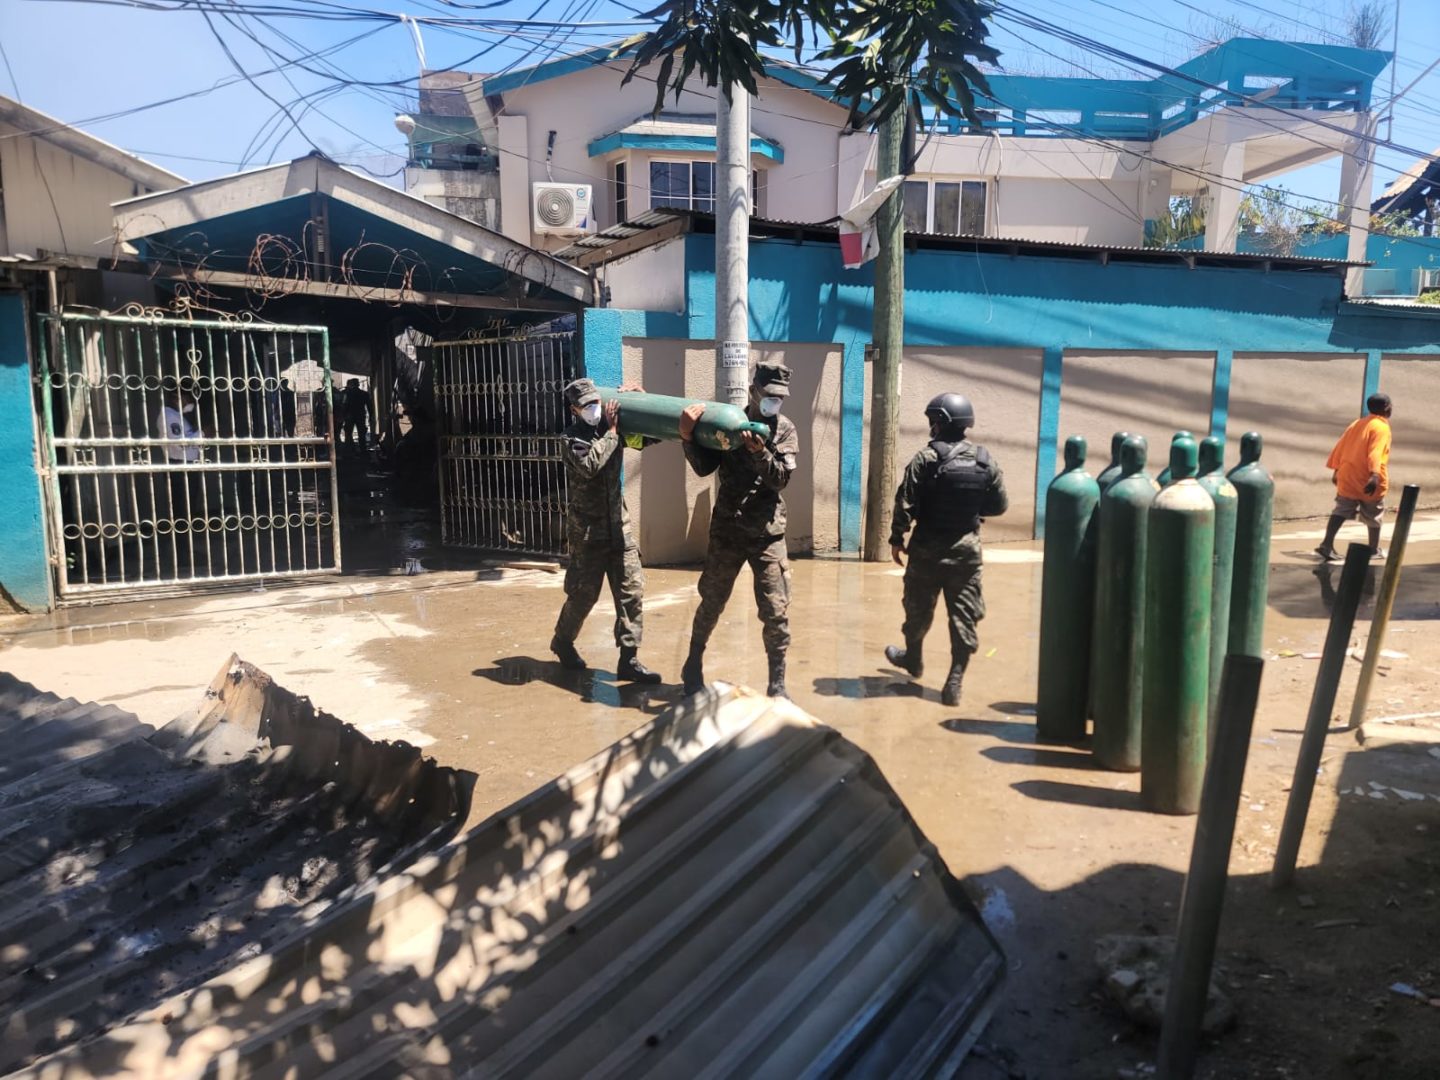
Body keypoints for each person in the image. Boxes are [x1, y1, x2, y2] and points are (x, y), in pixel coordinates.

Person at [677, 363, 799, 699]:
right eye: (769, 395)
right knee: (712, 601)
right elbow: (704, 468)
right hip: (728, 530)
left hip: (767, 532)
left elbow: (780, 480)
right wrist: (687, 437)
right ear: (753, 391)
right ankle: (693, 665)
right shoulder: (727, 424)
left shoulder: (784, 430)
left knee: (775, 610)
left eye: (780, 397)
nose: (774, 402)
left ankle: (777, 683)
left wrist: (761, 454)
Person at [884, 392, 1009, 707]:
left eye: (933, 420)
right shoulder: (984, 460)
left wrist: (897, 538)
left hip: (926, 553)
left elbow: (905, 502)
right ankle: (954, 681)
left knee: (916, 610)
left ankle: (913, 659)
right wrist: (972, 510)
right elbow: (999, 505)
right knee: (964, 618)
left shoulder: (926, 459)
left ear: (940, 423)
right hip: (966, 555)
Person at [549, 378, 662, 683]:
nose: (593, 409)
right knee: (583, 596)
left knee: (631, 594)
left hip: (618, 529)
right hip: (588, 533)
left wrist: (643, 404)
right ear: (574, 410)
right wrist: (612, 432)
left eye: (595, 402)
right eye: (586, 405)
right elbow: (590, 466)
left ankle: (629, 659)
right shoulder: (571, 438)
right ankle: (562, 641)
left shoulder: (614, 430)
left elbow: (649, 439)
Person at [1316, 392, 1392, 562]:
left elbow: (1340, 447)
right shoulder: (1381, 427)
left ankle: (1326, 544)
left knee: (1341, 509)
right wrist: (1374, 475)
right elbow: (1375, 452)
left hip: (1347, 474)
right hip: (1368, 477)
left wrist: (1336, 470)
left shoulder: (1357, 423)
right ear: (1387, 407)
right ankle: (1373, 549)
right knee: (1374, 513)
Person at [340, 378, 373, 448]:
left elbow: (344, 405)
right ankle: (363, 449)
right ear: (358, 384)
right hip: (360, 415)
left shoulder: (347, 394)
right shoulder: (364, 394)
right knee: (361, 434)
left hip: (349, 416)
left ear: (352, 384)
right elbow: (369, 406)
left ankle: (350, 450)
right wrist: (371, 416)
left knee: (348, 434)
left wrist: (343, 416)